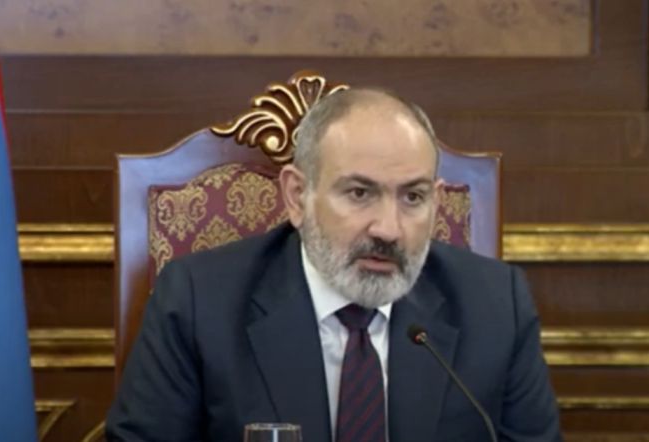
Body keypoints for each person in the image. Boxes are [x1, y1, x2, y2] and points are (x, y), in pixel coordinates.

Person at [106, 88, 562, 441]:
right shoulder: (198, 301)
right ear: (296, 197)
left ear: (437, 201)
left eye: (413, 197)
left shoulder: (496, 306)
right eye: (360, 193)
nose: (389, 229)